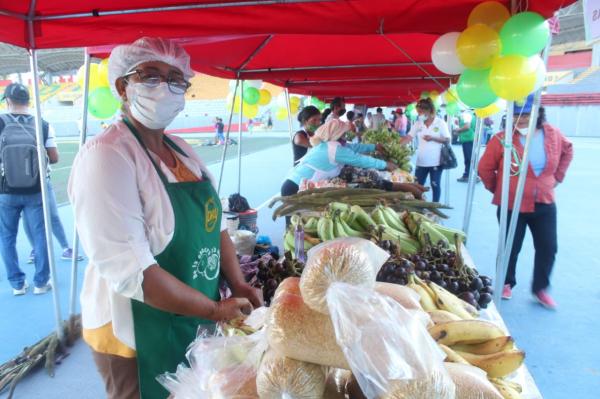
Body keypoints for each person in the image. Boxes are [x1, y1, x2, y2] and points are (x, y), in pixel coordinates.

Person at [68, 37, 262, 399]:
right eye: (150, 75)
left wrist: (238, 284)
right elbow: (133, 272)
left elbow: (214, 224)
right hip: (135, 329)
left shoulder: (183, 152)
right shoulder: (107, 157)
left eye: (176, 79)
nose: (165, 88)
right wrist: (215, 309)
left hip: (192, 315)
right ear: (123, 86)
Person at [478, 95, 573, 309]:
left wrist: (558, 176)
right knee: (509, 247)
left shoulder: (553, 134)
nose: (521, 120)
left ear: (538, 113)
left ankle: (540, 288)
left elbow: (568, 150)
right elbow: (484, 169)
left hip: (545, 202)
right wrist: (499, 189)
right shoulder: (502, 139)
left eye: (527, 114)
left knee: (548, 246)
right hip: (512, 204)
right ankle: (505, 282)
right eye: (516, 116)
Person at [0, 83, 56, 296]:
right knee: (40, 235)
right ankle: (41, 282)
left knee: (7, 237)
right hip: (35, 188)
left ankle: (17, 284)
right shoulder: (42, 124)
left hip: (5, 190)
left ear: (7, 101)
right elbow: (54, 157)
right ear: (29, 101)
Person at [281, 118, 397, 200]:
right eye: (343, 133)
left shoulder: (331, 144)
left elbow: (354, 147)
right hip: (294, 187)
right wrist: (384, 164)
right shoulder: (333, 148)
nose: (345, 136)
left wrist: (374, 146)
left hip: (297, 184)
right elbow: (360, 160)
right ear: (337, 134)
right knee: (295, 227)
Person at [400, 98, 451, 203]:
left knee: (435, 184)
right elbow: (409, 137)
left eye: (421, 112)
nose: (419, 114)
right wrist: (397, 145)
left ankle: (435, 206)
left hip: (436, 161)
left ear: (429, 111)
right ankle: (419, 205)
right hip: (421, 161)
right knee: (417, 186)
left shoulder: (440, 123)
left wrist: (433, 138)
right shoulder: (418, 124)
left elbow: (447, 140)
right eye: (418, 112)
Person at [456, 110, 476, 182]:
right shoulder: (470, 115)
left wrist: (459, 130)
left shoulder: (466, 115)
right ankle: (473, 175)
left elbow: (467, 126)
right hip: (468, 138)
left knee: (469, 158)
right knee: (470, 158)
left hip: (468, 138)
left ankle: (468, 175)